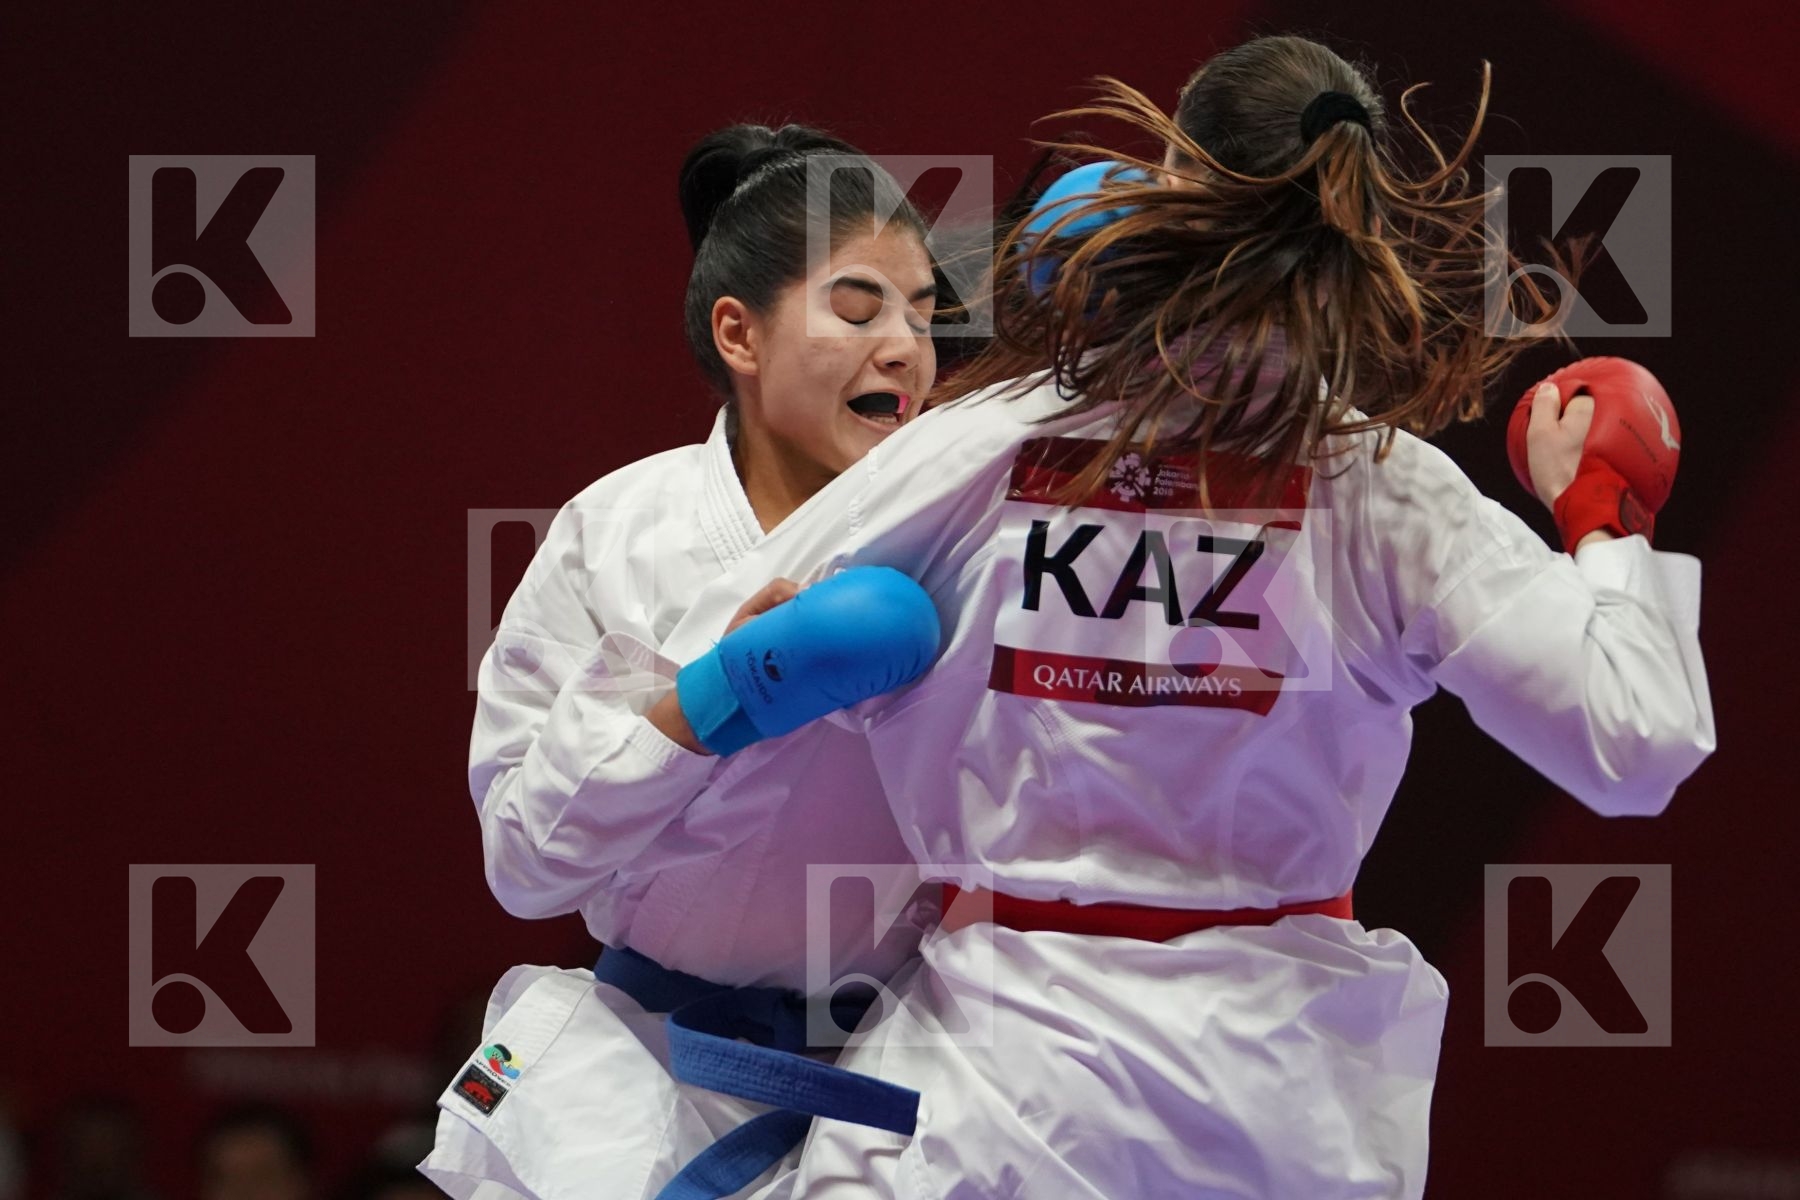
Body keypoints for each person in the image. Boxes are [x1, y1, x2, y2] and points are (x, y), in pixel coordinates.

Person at [647, 35, 1716, 1199]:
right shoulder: (1381, 486)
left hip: (1002, 1101)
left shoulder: (987, 440)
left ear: (1176, 182)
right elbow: (1636, 744)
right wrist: (1602, 516)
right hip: (1281, 1115)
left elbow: (716, 641)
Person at [420, 124, 943, 1200]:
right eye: (858, 306)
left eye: (925, 311)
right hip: (642, 1075)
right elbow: (524, 865)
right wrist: (711, 698)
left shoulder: (960, 533)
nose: (905, 346)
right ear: (739, 336)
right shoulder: (614, 531)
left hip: (908, 1078)